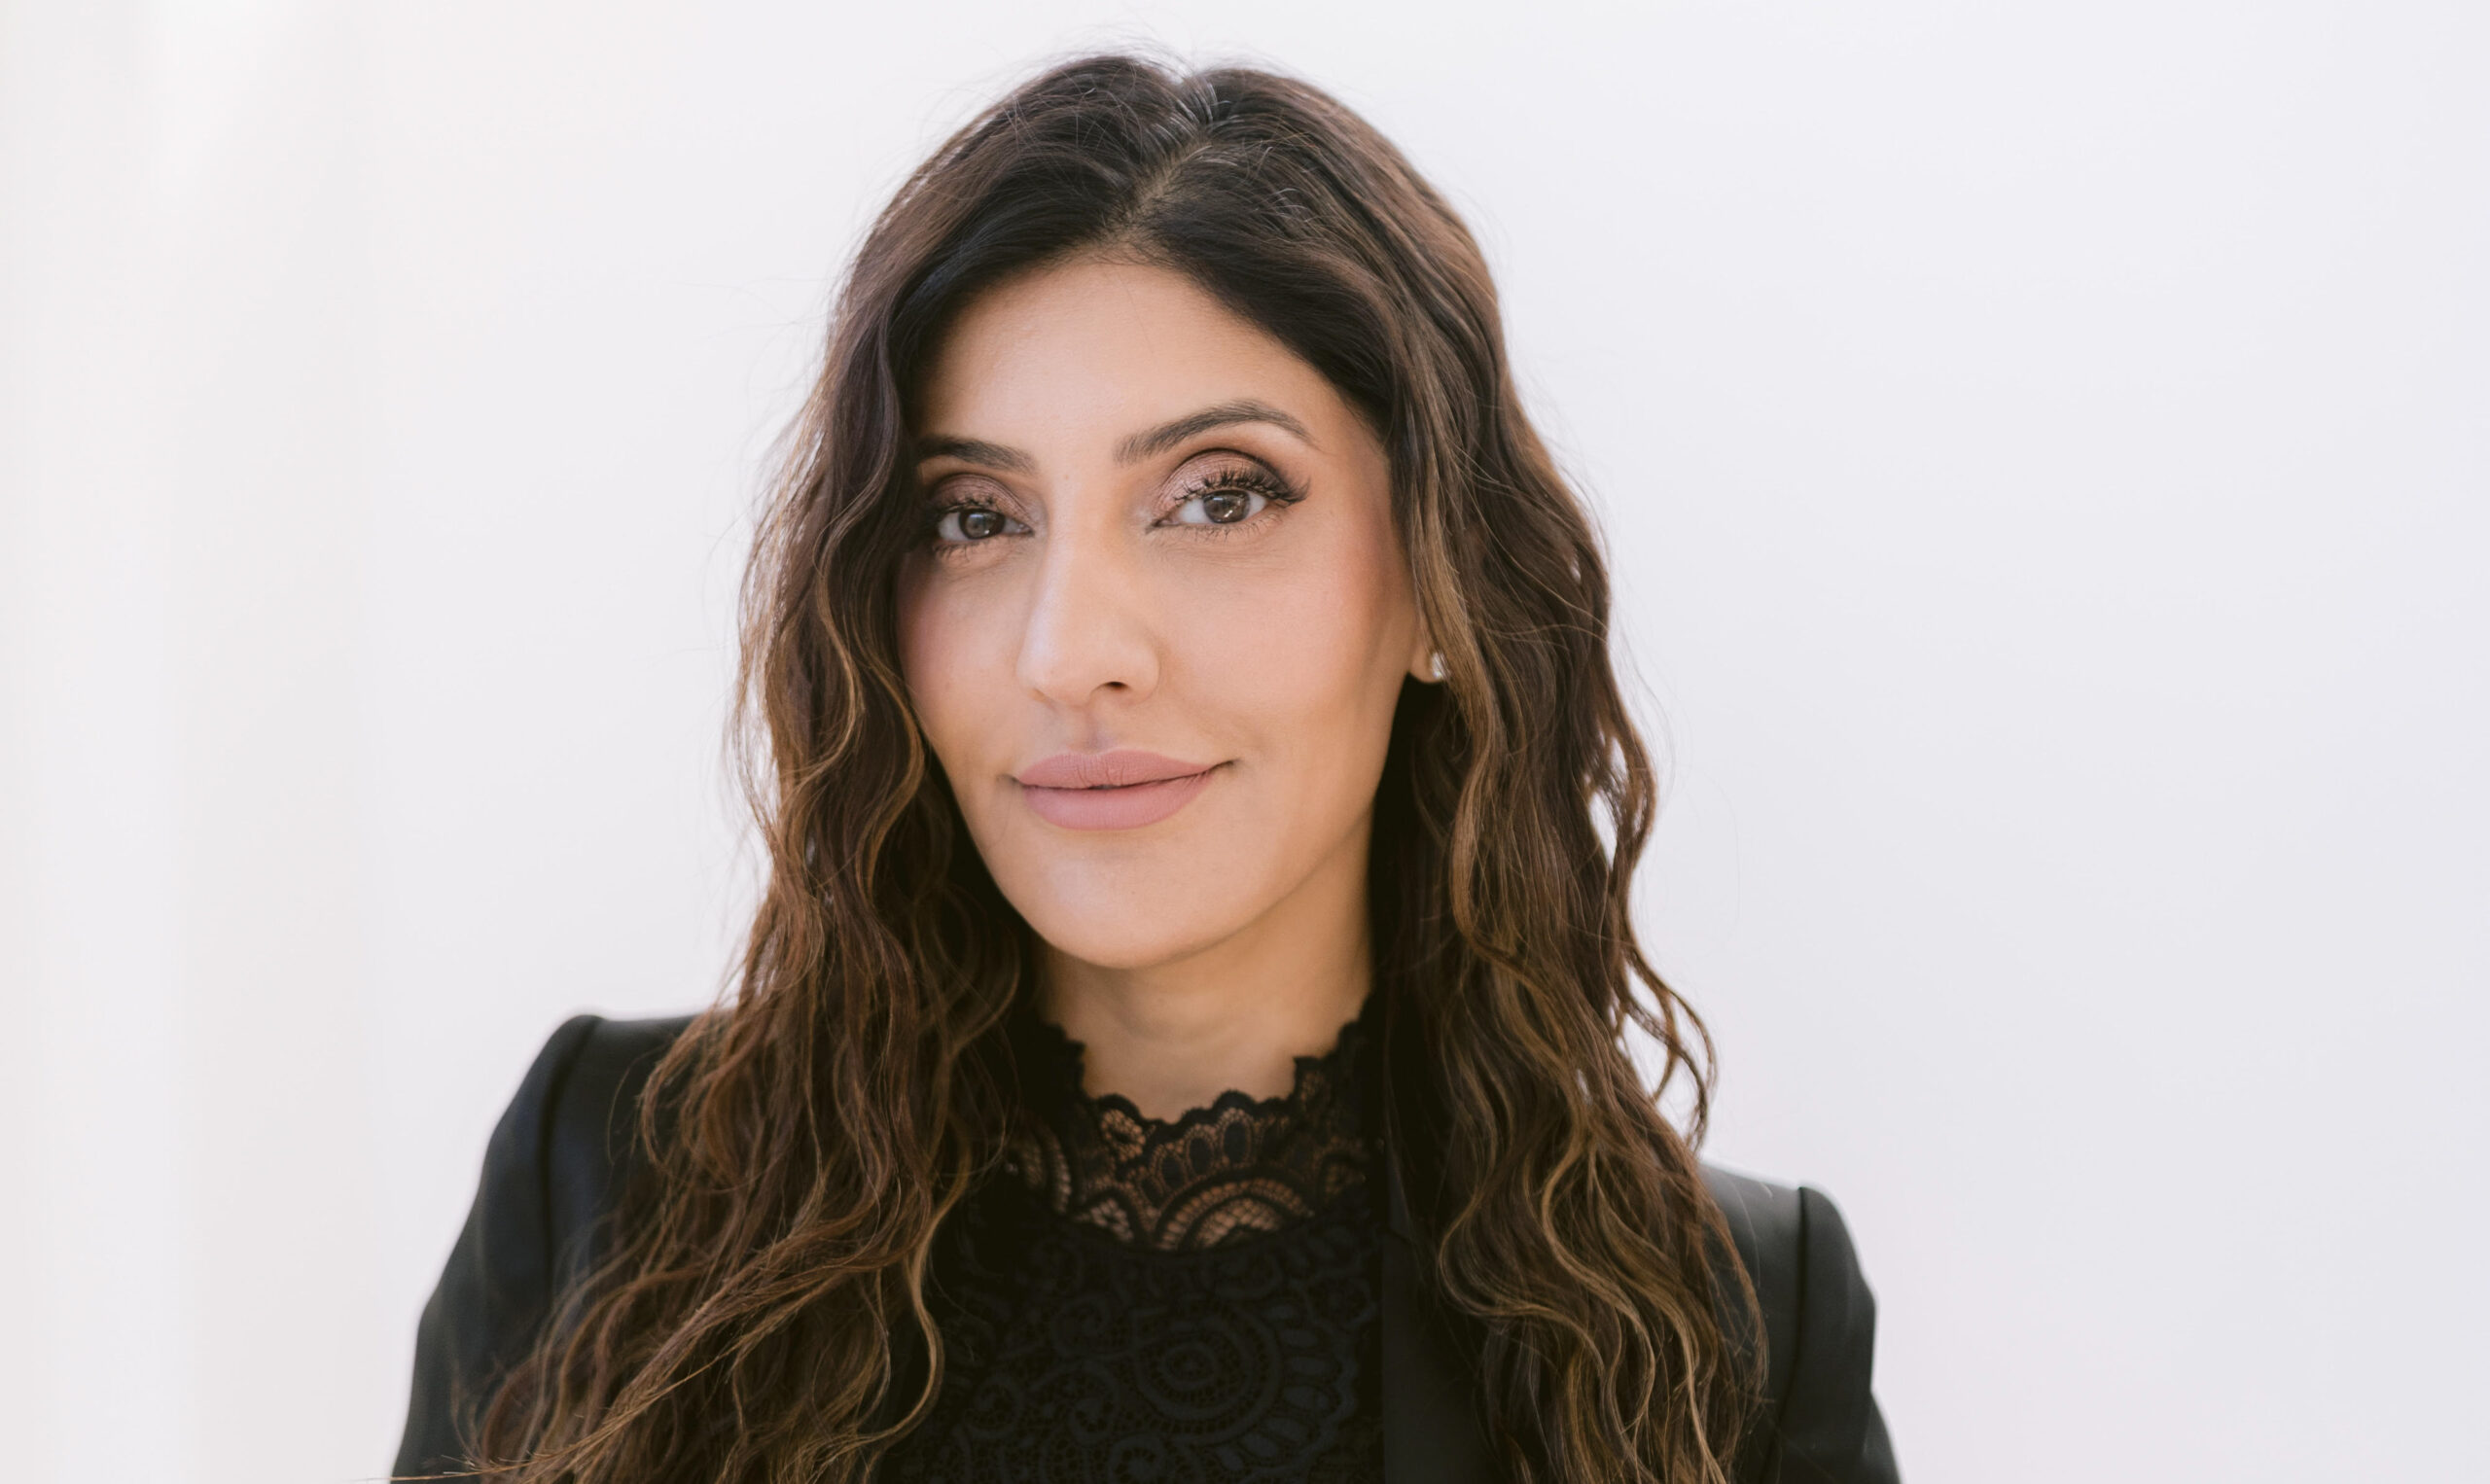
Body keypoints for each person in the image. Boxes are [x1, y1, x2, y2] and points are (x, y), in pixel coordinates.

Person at [394, 52, 1896, 1484]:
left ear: (1441, 580)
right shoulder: (608, 1188)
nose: (1070, 652)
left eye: (1219, 496)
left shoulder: (1732, 1329)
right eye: (975, 515)